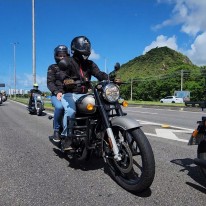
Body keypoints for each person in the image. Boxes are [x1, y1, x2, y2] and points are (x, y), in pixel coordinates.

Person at [58, 36, 111, 150]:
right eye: (83, 46)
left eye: (87, 46)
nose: (86, 49)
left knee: (103, 107)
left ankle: (101, 134)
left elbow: (99, 74)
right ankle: (67, 137)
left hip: (86, 94)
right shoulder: (68, 61)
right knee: (70, 111)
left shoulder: (90, 64)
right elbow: (61, 74)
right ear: (75, 48)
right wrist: (67, 81)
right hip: (70, 94)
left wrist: (110, 77)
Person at [47, 45, 70, 142]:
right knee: (60, 107)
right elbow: (50, 82)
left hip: (69, 94)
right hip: (57, 94)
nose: (62, 57)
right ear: (56, 56)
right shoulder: (53, 67)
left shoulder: (70, 67)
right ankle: (56, 130)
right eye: (60, 55)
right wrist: (56, 92)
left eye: (64, 55)